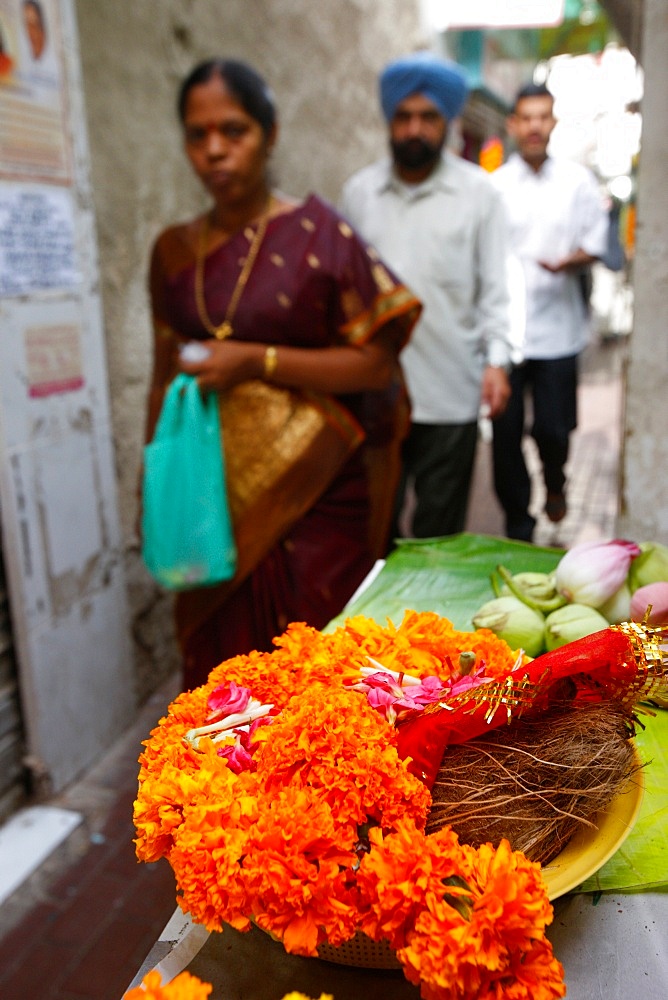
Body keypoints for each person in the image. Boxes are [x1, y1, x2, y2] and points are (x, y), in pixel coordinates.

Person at [144, 58, 421, 689]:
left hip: (318, 496)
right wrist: (153, 479)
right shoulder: (173, 252)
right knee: (223, 679)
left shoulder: (320, 233)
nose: (215, 150)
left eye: (234, 131)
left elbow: (376, 362)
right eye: (198, 134)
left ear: (269, 135)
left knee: (316, 675)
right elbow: (165, 374)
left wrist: (254, 361)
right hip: (210, 494)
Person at [340, 51, 512, 543]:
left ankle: (433, 622)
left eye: (428, 117)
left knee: (440, 536)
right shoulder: (360, 193)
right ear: (389, 121)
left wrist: (497, 362)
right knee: (376, 529)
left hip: (450, 392)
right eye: (404, 117)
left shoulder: (480, 195)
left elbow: (496, 288)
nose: (415, 129)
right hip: (376, 392)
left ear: (448, 123)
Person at [490, 82, 609, 542]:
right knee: (505, 434)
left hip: (560, 329)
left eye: (543, 117)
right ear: (513, 124)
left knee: (554, 430)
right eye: (527, 117)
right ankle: (518, 523)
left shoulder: (578, 182)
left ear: (553, 122)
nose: (535, 125)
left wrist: (570, 261)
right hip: (507, 331)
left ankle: (555, 482)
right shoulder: (495, 186)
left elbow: (597, 242)